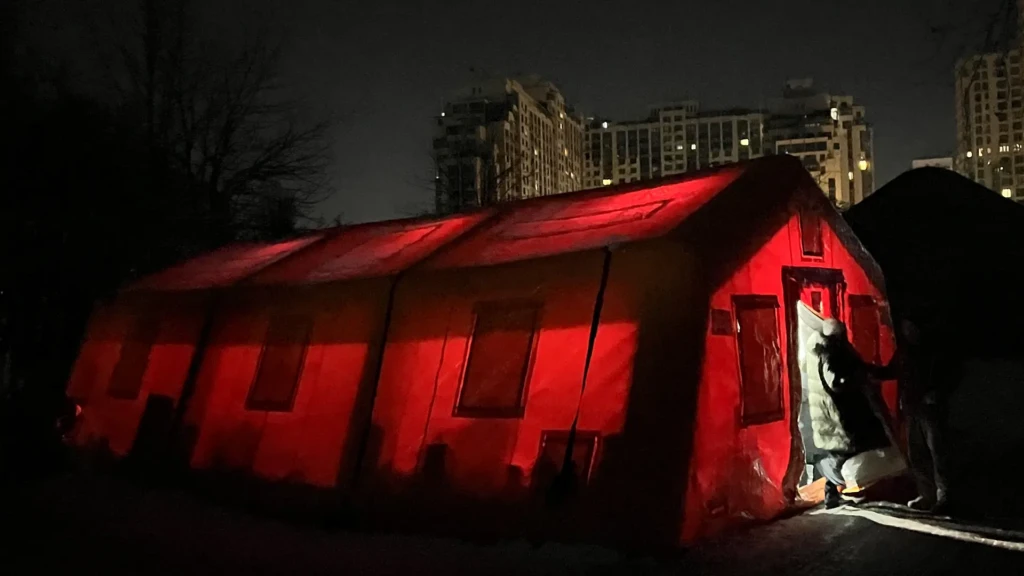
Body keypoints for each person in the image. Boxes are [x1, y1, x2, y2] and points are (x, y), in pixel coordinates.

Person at [802, 319, 890, 509]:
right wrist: (858, 380)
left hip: (835, 413)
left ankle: (835, 493)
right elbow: (835, 381)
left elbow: (854, 367)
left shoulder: (824, 348)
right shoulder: (829, 354)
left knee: (845, 450)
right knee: (845, 451)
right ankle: (831, 478)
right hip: (837, 413)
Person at [882, 317, 954, 513]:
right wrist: (866, 370)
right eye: (906, 327)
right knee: (917, 453)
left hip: (930, 409)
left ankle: (945, 496)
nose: (908, 331)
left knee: (937, 452)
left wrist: (938, 392)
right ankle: (927, 495)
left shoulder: (935, 350)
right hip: (912, 408)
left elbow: (951, 375)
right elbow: (891, 371)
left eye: (911, 326)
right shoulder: (905, 351)